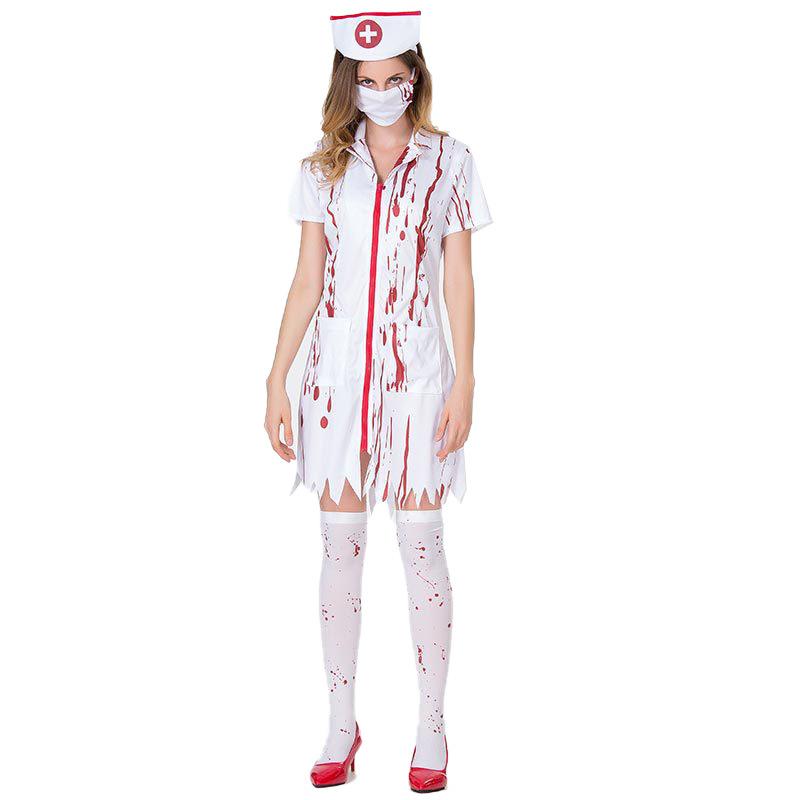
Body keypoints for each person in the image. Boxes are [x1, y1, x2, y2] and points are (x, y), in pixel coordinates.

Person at [264, 10, 492, 791]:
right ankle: (341, 719)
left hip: (419, 382)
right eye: (369, 80)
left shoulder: (450, 161)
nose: (384, 91)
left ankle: (432, 724)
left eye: (396, 78)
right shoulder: (322, 167)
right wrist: (276, 377)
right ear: (349, 83)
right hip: (334, 385)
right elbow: (307, 279)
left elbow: (458, 276)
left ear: (415, 77)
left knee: (423, 549)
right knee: (340, 551)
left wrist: (465, 380)